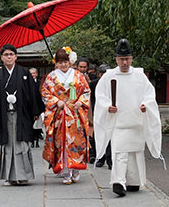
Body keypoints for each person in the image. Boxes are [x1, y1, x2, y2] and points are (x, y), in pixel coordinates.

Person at [94, 39, 163, 197]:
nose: (124, 62)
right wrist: (107, 106)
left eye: (127, 59)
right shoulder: (109, 76)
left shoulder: (139, 75)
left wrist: (146, 104)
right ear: (116, 59)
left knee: (135, 153)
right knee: (120, 152)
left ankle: (133, 181)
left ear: (131, 59)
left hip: (136, 121)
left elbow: (149, 94)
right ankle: (118, 181)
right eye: (121, 59)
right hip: (119, 122)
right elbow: (100, 95)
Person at [0, 44, 45, 186]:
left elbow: (33, 93)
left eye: (11, 54)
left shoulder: (24, 73)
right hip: (4, 116)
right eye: (6, 55)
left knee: (22, 144)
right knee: (7, 145)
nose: (9, 57)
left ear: (16, 56)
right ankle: (8, 176)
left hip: (22, 115)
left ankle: (23, 175)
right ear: (1, 58)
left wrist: (35, 111)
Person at [41, 48, 91, 184]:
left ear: (70, 62)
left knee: (77, 141)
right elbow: (45, 93)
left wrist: (80, 102)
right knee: (61, 142)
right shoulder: (51, 77)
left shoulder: (78, 75)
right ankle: (66, 172)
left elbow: (86, 91)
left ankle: (76, 170)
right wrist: (57, 102)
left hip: (75, 113)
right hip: (60, 114)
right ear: (56, 63)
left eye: (65, 62)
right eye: (60, 62)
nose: (63, 65)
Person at [92, 63, 112, 168]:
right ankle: (99, 158)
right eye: (103, 73)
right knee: (98, 136)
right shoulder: (94, 84)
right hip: (98, 113)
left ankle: (109, 159)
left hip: (110, 114)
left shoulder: (113, 84)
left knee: (109, 137)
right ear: (99, 74)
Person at [28, 67, 43, 148]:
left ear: (36, 74)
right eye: (31, 73)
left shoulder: (40, 83)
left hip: (39, 106)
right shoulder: (26, 83)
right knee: (30, 125)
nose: (33, 75)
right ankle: (32, 140)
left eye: (34, 73)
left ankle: (37, 140)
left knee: (38, 125)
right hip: (29, 108)